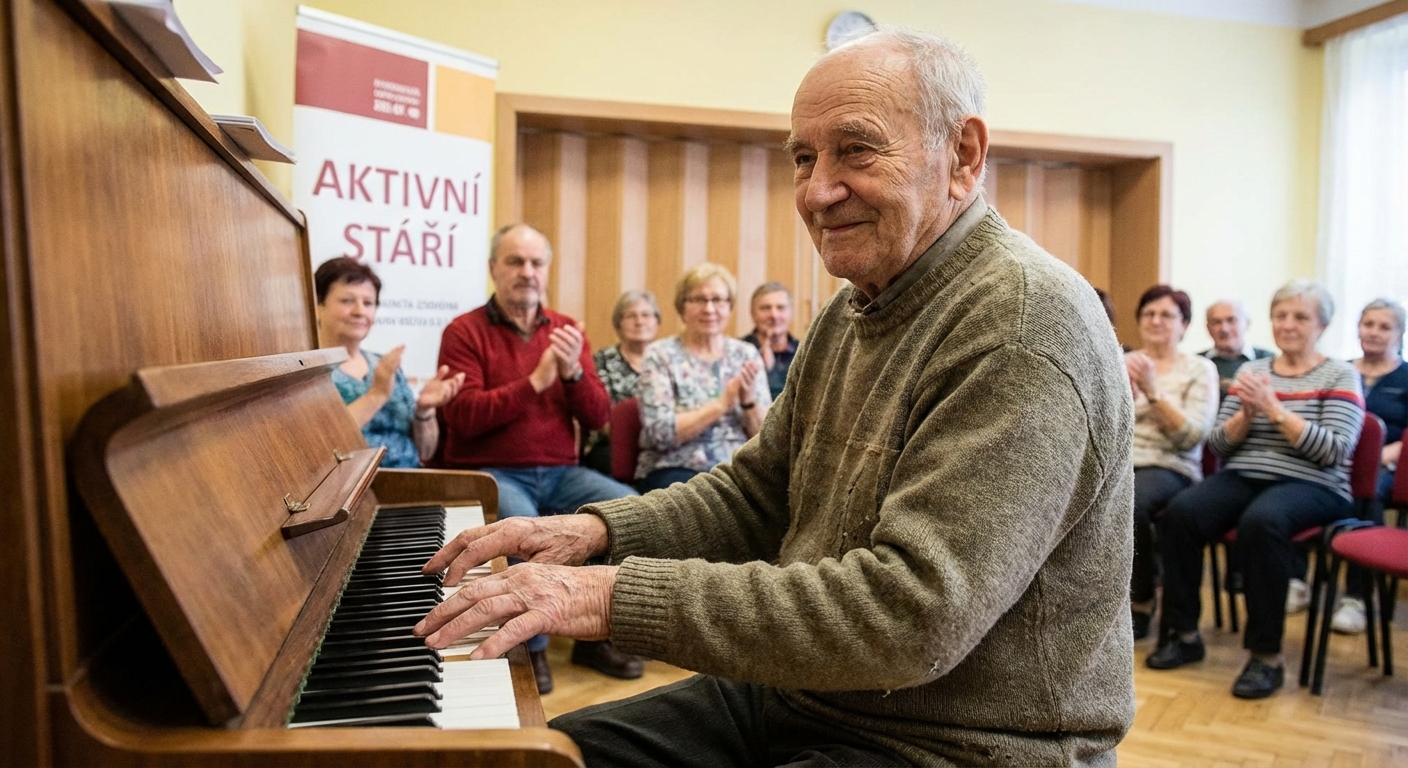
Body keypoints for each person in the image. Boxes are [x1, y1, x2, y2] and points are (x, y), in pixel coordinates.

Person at [414, 28, 1135, 765]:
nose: (817, 191)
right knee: (525, 757)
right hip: (808, 696)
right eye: (802, 158)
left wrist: (602, 595)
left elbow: (910, 617)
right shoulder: (853, 308)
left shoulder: (1020, 323)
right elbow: (758, 493)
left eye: (856, 149)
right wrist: (594, 534)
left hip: (958, 743)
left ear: (963, 155)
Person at [435, 223, 643, 693]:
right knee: (519, 519)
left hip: (561, 472)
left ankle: (596, 635)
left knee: (625, 508)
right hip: (492, 471)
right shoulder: (463, 331)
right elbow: (464, 416)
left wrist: (570, 374)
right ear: (493, 269)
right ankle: (532, 648)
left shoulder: (567, 330)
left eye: (535, 263)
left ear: (546, 270)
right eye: (515, 262)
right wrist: (534, 382)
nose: (527, 272)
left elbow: (595, 417)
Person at [1148, 280, 1364, 700]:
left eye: (1300, 316)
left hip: (1314, 483)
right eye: (1281, 315)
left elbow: (1335, 451)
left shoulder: (1340, 373)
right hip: (1245, 474)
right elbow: (1219, 445)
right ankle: (1184, 633)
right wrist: (1246, 415)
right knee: (1180, 515)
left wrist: (1275, 411)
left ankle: (1266, 657)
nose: (1287, 324)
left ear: (1321, 324)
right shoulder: (1254, 372)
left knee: (1261, 523)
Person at [1124, 285, 1219, 640]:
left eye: (1167, 315)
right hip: (1119, 462)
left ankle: (1142, 600)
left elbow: (1191, 436)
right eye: (1148, 314)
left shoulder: (1200, 369)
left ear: (1185, 324)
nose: (1156, 321)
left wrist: (1152, 391)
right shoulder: (1123, 360)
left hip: (1170, 466)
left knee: (1129, 504)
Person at [314, 257, 463, 468]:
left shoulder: (384, 365)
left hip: (410, 482)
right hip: (352, 489)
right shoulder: (307, 373)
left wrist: (424, 411)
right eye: (347, 301)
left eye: (368, 303)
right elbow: (320, 447)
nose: (360, 311)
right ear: (318, 305)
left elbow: (426, 451)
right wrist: (377, 395)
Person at [634, 264, 771, 492]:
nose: (709, 309)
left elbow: (765, 439)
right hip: (675, 468)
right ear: (682, 308)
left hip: (736, 468)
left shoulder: (745, 354)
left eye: (718, 300)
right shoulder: (660, 355)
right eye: (698, 300)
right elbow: (660, 434)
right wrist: (721, 405)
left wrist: (748, 403)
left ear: (729, 307)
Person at [1330, 298, 1406, 634]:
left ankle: (1356, 598)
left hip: (1388, 467)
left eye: (1384, 326)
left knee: (1368, 490)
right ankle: (1296, 581)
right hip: (1336, 461)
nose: (1373, 332)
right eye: (1368, 324)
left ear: (1399, 334)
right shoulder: (1340, 371)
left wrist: (1380, 456)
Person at [581, 290, 661, 476]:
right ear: (618, 324)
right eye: (630, 316)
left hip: (663, 442)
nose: (639, 321)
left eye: (646, 315)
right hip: (613, 443)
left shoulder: (669, 361)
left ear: (657, 322)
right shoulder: (601, 361)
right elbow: (599, 417)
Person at [1201, 299, 1274, 399]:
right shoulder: (1195, 364)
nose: (1224, 329)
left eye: (1231, 320)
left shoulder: (1269, 361)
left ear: (1247, 323)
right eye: (1217, 322)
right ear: (1208, 328)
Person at [741, 282, 799, 399]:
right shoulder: (738, 351)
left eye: (781, 308)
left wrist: (772, 371)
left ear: (791, 313)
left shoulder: (806, 353)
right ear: (752, 314)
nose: (774, 315)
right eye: (765, 308)